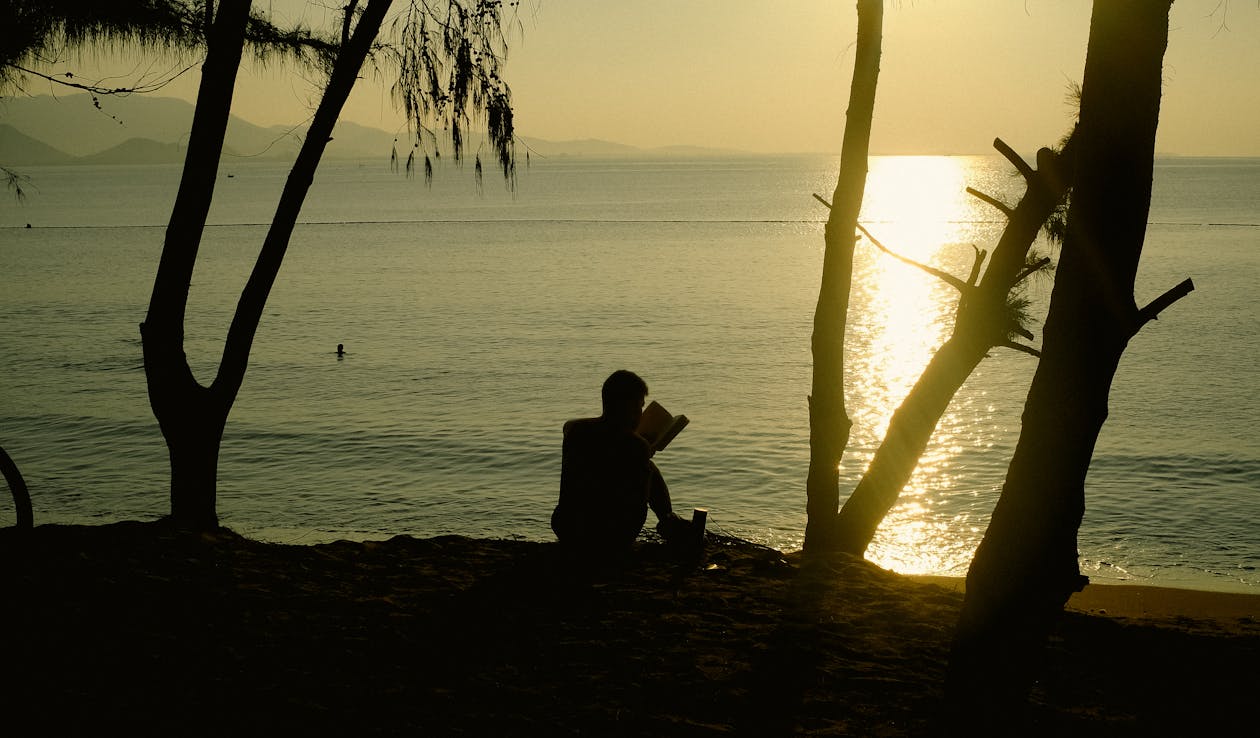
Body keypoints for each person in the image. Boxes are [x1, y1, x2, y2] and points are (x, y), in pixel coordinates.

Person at [552, 370, 688, 555]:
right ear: (628, 407)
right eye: (639, 407)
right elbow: (634, 497)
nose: (640, 413)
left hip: (567, 528)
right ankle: (667, 520)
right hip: (610, 536)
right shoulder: (635, 445)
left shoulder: (573, 430)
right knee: (648, 469)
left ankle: (668, 519)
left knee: (646, 465)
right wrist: (643, 453)